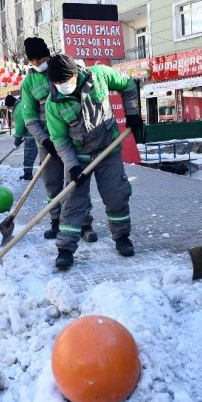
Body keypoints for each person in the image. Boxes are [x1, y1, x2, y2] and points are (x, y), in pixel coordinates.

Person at [45, 54, 143, 269]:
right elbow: (59, 139)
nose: (62, 86)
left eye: (65, 81)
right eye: (57, 83)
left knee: (116, 195)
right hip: (79, 156)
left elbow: (128, 85)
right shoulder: (53, 103)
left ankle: (122, 237)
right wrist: (72, 166)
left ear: (75, 74)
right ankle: (65, 249)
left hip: (107, 150)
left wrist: (133, 113)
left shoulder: (98, 75)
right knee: (72, 202)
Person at [20, 37, 95, 243]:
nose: (37, 63)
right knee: (52, 184)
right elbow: (30, 119)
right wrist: (45, 141)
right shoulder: (29, 83)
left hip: (73, 138)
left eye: (40, 58)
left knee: (77, 180)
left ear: (47, 54)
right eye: (32, 61)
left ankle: (84, 223)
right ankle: (56, 221)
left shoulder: (61, 68)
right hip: (48, 144)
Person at [5, 94, 37, 180]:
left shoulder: (18, 109)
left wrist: (17, 141)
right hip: (37, 130)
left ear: (10, 105)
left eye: (8, 108)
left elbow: (19, 128)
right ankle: (45, 170)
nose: (9, 110)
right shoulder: (23, 103)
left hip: (31, 134)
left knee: (28, 154)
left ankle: (27, 174)